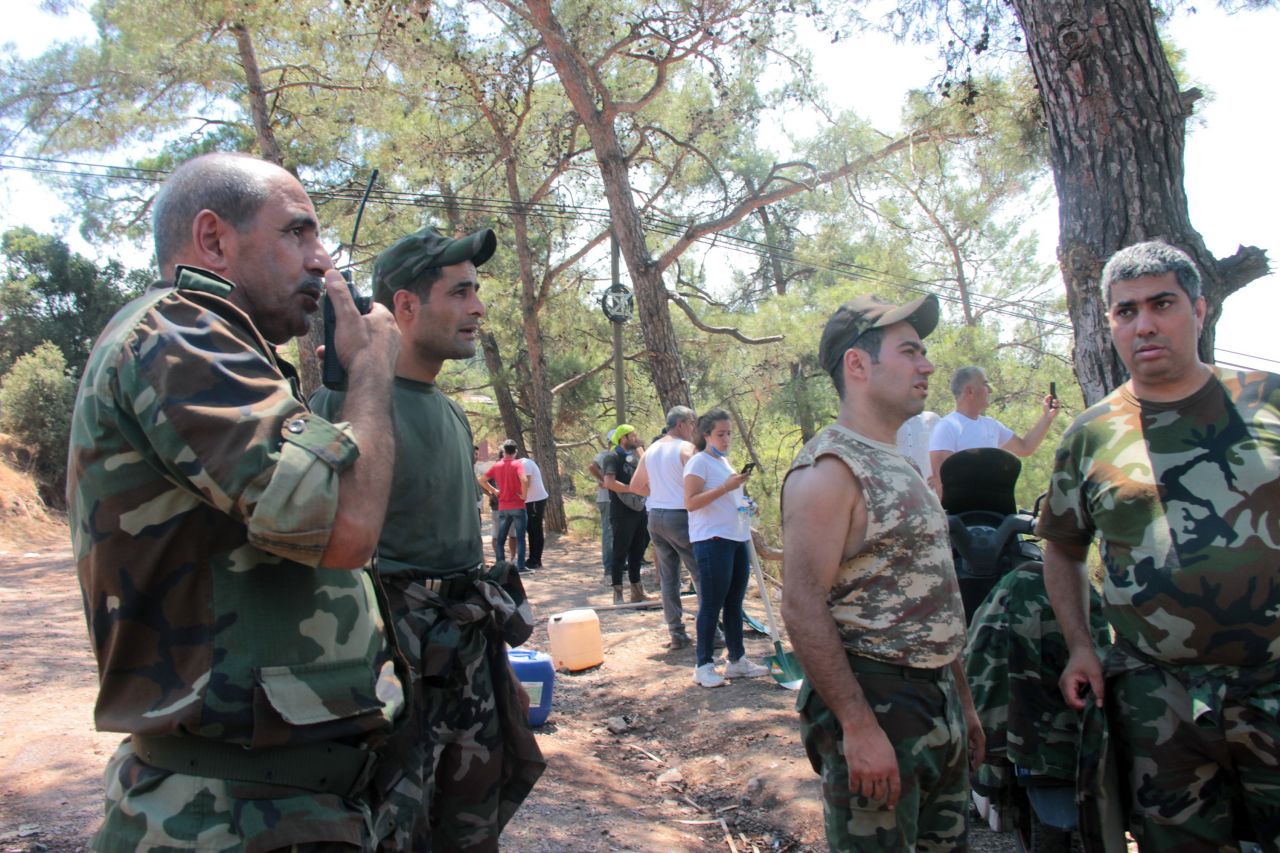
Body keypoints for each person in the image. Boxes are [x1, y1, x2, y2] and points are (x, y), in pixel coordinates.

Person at [67, 152, 406, 850]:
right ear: (213, 240)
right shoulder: (177, 334)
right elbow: (346, 526)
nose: (321, 260)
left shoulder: (221, 348)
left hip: (271, 804)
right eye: (297, 232)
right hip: (225, 815)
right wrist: (372, 370)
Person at [1037, 240, 1280, 850]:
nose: (1144, 324)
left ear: (1199, 310)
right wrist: (1080, 644)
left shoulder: (1269, 401)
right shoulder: (1090, 435)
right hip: (1157, 698)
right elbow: (1063, 547)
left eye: (1162, 304)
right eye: (1126, 311)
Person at [312, 225, 543, 850]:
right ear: (406, 306)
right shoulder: (341, 406)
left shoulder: (451, 411)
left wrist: (492, 666)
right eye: (460, 292)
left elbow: (458, 548)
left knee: (471, 829)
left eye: (476, 291)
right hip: (391, 670)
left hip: (466, 659)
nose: (478, 307)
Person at [780, 293, 983, 850]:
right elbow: (801, 605)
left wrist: (962, 703)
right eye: (910, 351)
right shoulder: (829, 470)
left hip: (936, 702)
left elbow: (929, 595)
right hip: (878, 702)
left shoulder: (899, 462)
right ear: (858, 364)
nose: (928, 365)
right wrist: (858, 725)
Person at [683, 408, 771, 687]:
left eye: (729, 433)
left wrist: (747, 504)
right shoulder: (698, 463)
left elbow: (730, 500)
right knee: (711, 604)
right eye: (720, 434)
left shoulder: (725, 463)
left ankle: (737, 661)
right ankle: (703, 665)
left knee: (734, 603)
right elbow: (691, 502)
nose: (726, 439)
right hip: (712, 540)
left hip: (736, 537)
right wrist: (725, 487)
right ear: (706, 435)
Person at [629, 406, 700, 649]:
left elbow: (635, 486)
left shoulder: (651, 450)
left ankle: (676, 632)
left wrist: (658, 493)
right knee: (700, 573)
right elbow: (701, 481)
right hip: (680, 516)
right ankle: (712, 632)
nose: (693, 429)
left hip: (656, 517)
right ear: (681, 424)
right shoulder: (686, 449)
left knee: (669, 577)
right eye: (691, 423)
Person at [928, 364, 1059, 493]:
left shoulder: (992, 425)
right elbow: (942, 481)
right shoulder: (947, 427)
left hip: (992, 505)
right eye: (985, 384)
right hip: (962, 506)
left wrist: (1047, 417)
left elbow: (1025, 448)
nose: (990, 390)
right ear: (970, 391)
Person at [601, 424, 651, 604]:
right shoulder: (612, 456)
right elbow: (609, 482)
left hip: (639, 510)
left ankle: (637, 592)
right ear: (623, 438)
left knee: (638, 551)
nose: (636, 438)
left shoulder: (635, 456)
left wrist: (640, 451)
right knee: (620, 552)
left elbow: (648, 469)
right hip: (621, 512)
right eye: (633, 436)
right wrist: (633, 489)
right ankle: (618, 593)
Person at [480, 439, 531, 573]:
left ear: (503, 451)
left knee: (500, 539)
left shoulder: (497, 466)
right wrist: (524, 495)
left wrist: (494, 491)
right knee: (520, 538)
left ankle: (500, 566)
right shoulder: (517, 464)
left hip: (503, 506)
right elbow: (524, 480)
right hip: (518, 505)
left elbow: (482, 480)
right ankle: (520, 566)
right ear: (515, 451)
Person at [588, 435, 617, 583]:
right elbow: (592, 467)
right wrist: (604, 480)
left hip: (613, 498)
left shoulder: (609, 454)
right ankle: (609, 567)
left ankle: (617, 564)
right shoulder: (606, 455)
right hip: (607, 498)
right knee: (608, 533)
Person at [895, 410, 940, 490]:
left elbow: (941, 448)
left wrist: (939, 475)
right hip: (897, 481)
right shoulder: (889, 421)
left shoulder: (932, 419)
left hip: (927, 483)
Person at [522, 453, 549, 569]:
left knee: (536, 529)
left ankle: (536, 560)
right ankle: (532, 558)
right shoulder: (521, 464)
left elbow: (526, 483)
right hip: (530, 500)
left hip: (535, 500)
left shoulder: (525, 463)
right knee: (530, 530)